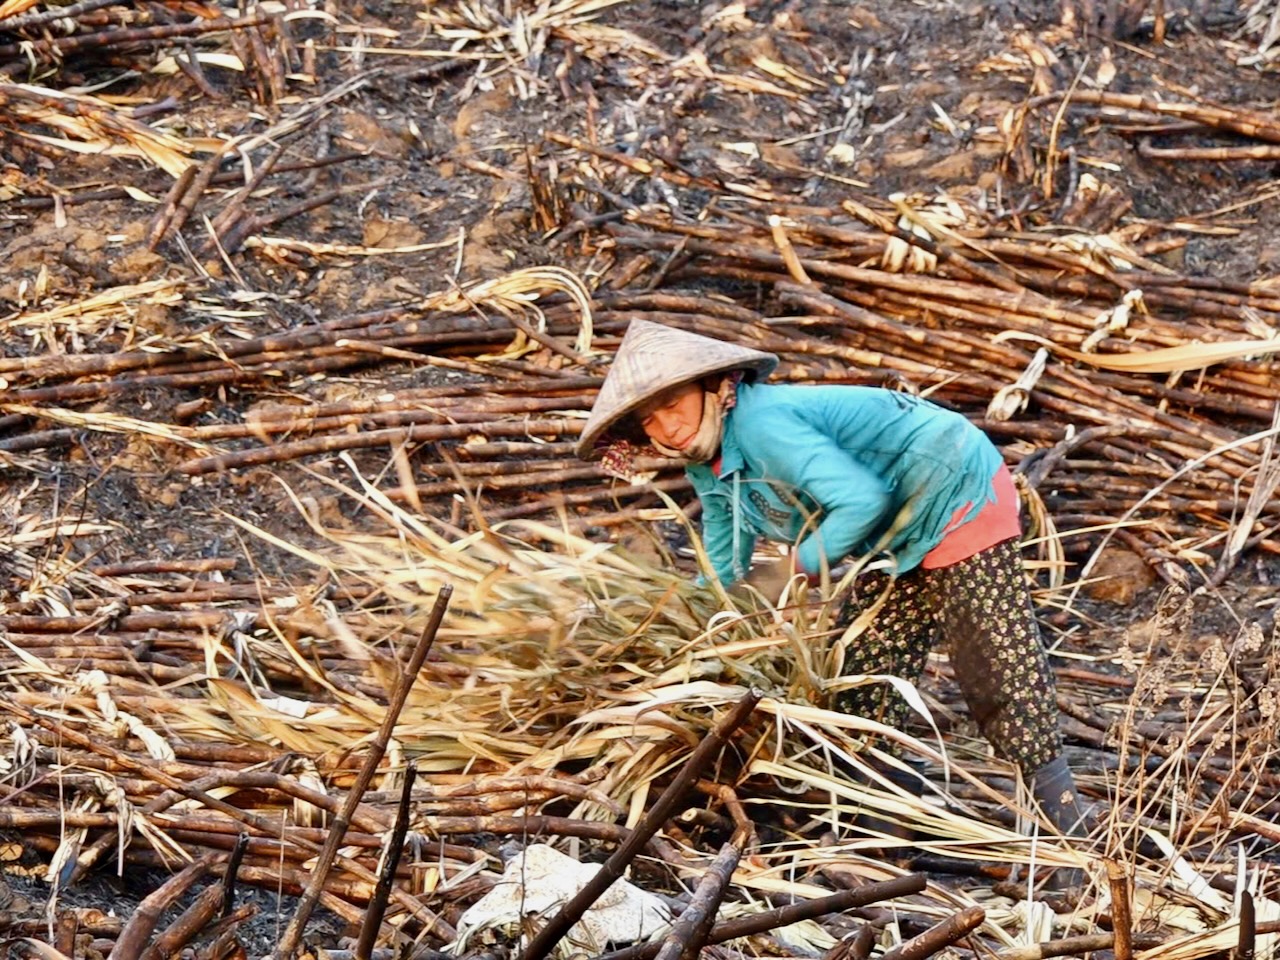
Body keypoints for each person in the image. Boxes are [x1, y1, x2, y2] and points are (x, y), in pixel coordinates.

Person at [575, 319, 1088, 842]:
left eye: (674, 405)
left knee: (995, 662)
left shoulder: (762, 426)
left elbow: (860, 500)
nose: (667, 428)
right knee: (865, 671)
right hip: (896, 530)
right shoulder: (705, 461)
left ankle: (1071, 829)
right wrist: (700, 618)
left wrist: (790, 570)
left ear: (715, 388)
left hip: (954, 486)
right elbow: (722, 556)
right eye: (650, 420)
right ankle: (888, 829)